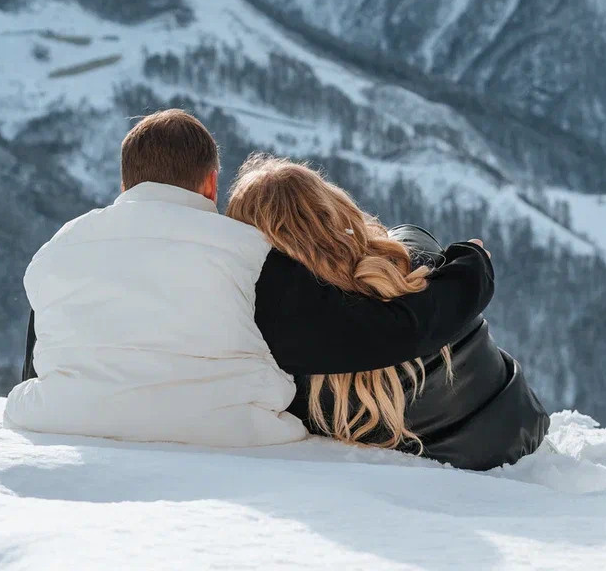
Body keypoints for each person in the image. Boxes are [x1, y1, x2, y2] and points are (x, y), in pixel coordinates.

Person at [5, 109, 493, 447]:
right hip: (227, 438)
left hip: (62, 425)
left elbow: (39, 367)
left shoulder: (58, 250)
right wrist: (471, 265)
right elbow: (384, 334)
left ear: (126, 183)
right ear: (211, 183)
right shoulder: (249, 257)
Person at [226, 154, 550, 470]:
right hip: (520, 422)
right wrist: (471, 261)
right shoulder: (419, 261)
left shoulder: (279, 344)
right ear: (332, 207)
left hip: (450, 466)